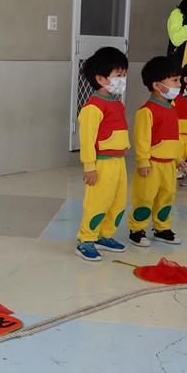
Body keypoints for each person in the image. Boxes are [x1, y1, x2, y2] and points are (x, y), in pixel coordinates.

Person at [75, 47, 130, 262]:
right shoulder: (93, 107)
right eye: (118, 75)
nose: (122, 79)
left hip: (119, 161)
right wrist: (89, 166)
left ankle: (104, 235)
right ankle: (86, 239)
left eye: (124, 74)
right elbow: (87, 139)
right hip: (102, 163)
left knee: (117, 202)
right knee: (97, 202)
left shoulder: (117, 103)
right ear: (100, 78)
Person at [128, 56, 183, 247]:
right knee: (145, 197)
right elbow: (141, 139)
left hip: (169, 165)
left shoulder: (172, 108)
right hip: (152, 165)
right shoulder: (146, 111)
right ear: (157, 85)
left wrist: (178, 158)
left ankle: (162, 228)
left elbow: (175, 137)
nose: (179, 84)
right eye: (174, 80)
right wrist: (143, 161)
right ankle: (137, 229)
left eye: (179, 79)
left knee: (166, 197)